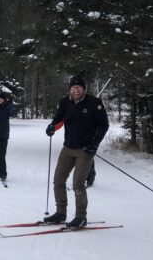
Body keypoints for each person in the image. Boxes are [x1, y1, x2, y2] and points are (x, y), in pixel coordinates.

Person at [43, 75, 109, 228]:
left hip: (85, 150)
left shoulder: (94, 103)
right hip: (68, 148)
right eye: (74, 87)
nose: (76, 90)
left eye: (79, 88)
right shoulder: (64, 102)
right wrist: (52, 127)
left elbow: (103, 125)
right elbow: (58, 119)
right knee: (58, 180)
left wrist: (94, 144)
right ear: (70, 89)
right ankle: (60, 213)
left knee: (78, 184)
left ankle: (81, 217)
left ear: (84, 89)